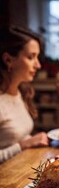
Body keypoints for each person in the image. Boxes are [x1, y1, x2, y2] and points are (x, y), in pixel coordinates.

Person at [0, 25, 49, 163]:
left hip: (20, 169)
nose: (38, 65)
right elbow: (18, 145)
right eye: (31, 57)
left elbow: (16, 138)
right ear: (8, 60)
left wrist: (33, 140)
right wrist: (23, 145)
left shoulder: (20, 91)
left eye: (37, 57)